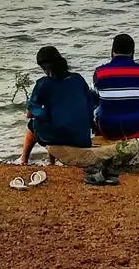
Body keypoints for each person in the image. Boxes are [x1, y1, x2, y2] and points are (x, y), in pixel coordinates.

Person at [20, 46, 116, 183]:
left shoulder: (43, 84)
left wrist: (34, 106)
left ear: (43, 67)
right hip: (82, 138)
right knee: (55, 115)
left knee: (33, 124)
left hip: (58, 135)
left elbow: (30, 114)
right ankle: (51, 161)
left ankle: (24, 159)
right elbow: (91, 103)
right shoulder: (78, 79)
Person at [91, 32, 139, 165]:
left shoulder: (100, 72)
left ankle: (102, 151)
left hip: (107, 128)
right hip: (137, 126)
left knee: (97, 106)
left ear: (112, 51)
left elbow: (93, 100)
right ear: (133, 52)